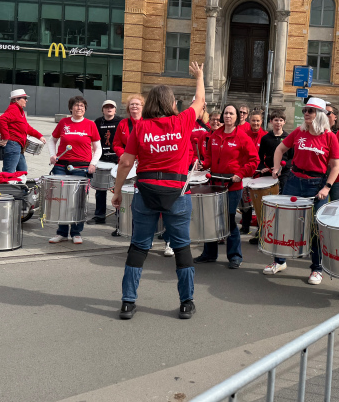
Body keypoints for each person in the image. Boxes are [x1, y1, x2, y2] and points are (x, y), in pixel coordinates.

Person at [111, 62, 206, 320]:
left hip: (146, 193)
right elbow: (199, 101)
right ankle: (186, 303)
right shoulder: (182, 121)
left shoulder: (140, 127)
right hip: (178, 195)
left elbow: (126, 162)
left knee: (138, 247)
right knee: (182, 248)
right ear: (172, 103)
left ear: (150, 103)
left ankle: (128, 303)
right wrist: (199, 76)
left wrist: (117, 191)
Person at [268, 97, 339, 284]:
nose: (306, 113)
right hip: (294, 180)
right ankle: (280, 261)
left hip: (317, 184)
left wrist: (327, 187)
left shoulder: (329, 137)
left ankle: (317, 268)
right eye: (305, 110)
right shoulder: (299, 132)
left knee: (316, 227)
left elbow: (335, 166)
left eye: (310, 111)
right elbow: (280, 149)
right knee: (284, 222)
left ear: (320, 114)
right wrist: (276, 167)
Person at [194, 103, 258, 268]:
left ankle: (235, 256)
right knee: (211, 220)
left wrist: (241, 174)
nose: (228, 116)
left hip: (232, 185)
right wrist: (204, 164)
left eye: (231, 113)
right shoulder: (215, 135)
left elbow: (254, 160)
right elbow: (209, 156)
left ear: (237, 117)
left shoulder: (242, 137)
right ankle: (209, 254)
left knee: (229, 221)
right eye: (226, 113)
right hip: (214, 183)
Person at [47, 96, 101, 245]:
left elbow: (98, 148)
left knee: (78, 201)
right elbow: (52, 140)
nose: (79, 108)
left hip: (81, 168)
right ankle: (62, 232)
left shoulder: (90, 124)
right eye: (76, 105)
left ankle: (76, 232)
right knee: (62, 199)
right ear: (71, 108)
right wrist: (52, 155)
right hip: (61, 166)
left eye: (82, 106)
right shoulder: (63, 123)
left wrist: (93, 164)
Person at [251, 109, 292, 245]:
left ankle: (280, 233)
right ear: (271, 121)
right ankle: (261, 231)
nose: (278, 123)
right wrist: (262, 166)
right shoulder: (265, 138)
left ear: (284, 122)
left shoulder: (289, 138)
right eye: (275, 120)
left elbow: (292, 159)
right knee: (264, 204)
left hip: (283, 174)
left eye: (281, 120)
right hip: (268, 173)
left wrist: (282, 168)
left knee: (281, 204)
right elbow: (260, 157)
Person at [87, 100, 122, 228]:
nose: (109, 109)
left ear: (115, 109)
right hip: (102, 159)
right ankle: (99, 215)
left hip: (117, 159)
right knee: (100, 189)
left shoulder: (121, 121)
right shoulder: (97, 122)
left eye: (111, 107)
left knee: (118, 189)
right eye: (106, 107)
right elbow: (93, 140)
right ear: (102, 110)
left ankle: (120, 215)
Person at [0, 89, 45, 173]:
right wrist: (5, 137)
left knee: (22, 171)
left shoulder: (19, 111)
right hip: (13, 145)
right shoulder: (14, 109)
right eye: (24, 98)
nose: (26, 100)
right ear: (16, 100)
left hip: (17, 146)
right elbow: (1, 120)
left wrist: (39, 136)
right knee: (9, 172)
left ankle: (17, 182)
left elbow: (26, 127)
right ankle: (7, 182)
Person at [240, 109, 267, 235]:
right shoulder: (243, 135)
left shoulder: (265, 136)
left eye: (258, 121)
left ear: (261, 121)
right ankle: (245, 226)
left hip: (260, 174)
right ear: (249, 121)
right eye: (253, 120)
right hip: (246, 172)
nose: (255, 123)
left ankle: (259, 229)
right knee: (246, 202)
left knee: (259, 202)